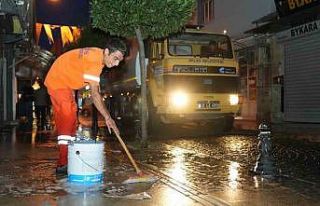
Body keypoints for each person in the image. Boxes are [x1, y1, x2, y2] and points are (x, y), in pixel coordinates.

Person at [44, 37, 127, 174]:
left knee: (71, 120)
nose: (116, 64)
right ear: (107, 52)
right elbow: (95, 94)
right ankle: (62, 164)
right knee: (67, 118)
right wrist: (108, 118)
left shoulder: (97, 56)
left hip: (64, 83)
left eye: (119, 60)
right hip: (58, 82)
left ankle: (67, 159)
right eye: (115, 58)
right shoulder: (94, 61)